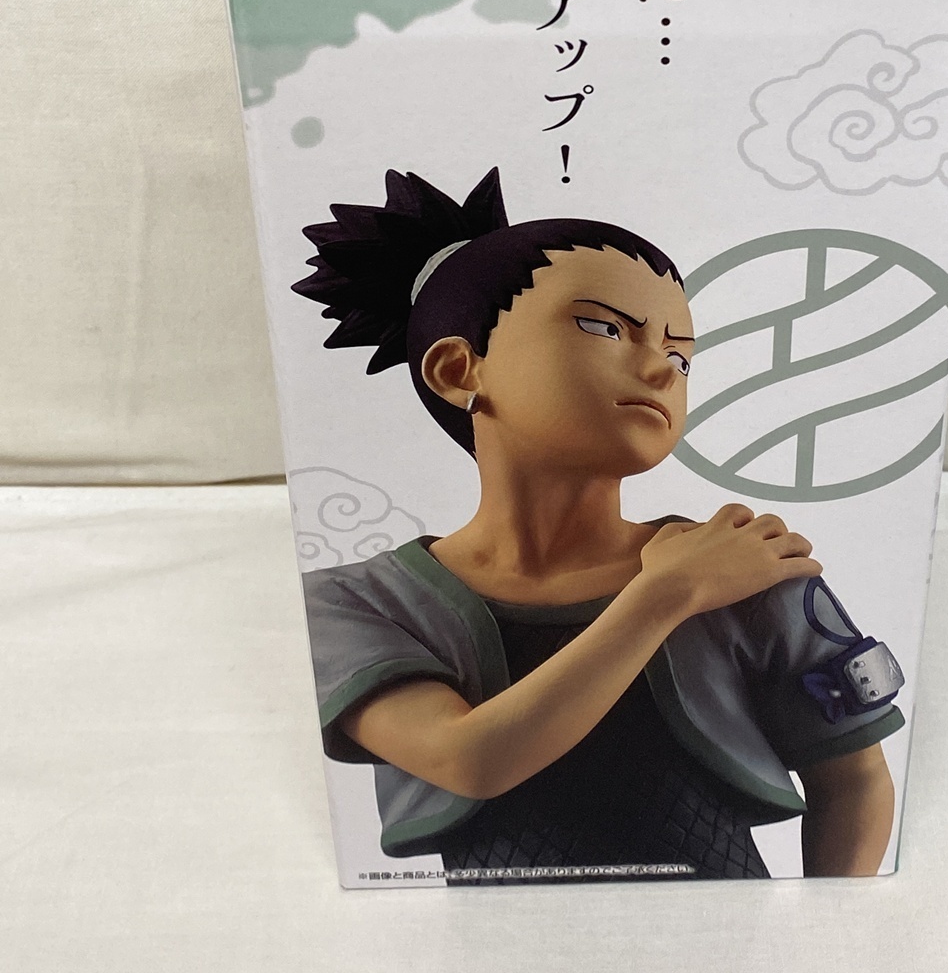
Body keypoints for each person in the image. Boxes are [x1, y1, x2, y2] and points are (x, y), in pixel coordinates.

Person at [294, 167, 904, 883]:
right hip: (491, 941)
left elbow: (855, 781)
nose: (661, 371)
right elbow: (469, 759)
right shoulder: (357, 603)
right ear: (459, 370)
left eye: (680, 355)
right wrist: (665, 596)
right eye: (604, 327)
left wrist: (826, 936)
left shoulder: (746, 568)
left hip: (735, 935)